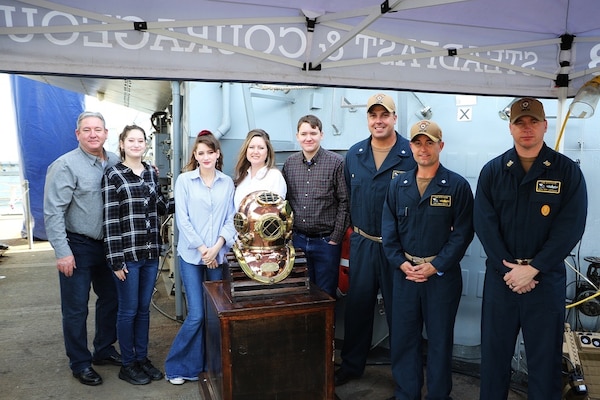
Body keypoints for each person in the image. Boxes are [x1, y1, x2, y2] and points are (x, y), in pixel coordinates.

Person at [474, 97, 587, 400]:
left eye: (533, 121)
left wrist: (534, 268)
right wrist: (510, 271)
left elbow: (571, 227)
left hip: (545, 280)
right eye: (520, 122)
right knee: (495, 360)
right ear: (510, 127)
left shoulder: (566, 172)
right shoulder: (493, 171)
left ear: (544, 125)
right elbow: (485, 226)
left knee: (545, 363)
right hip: (503, 279)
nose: (527, 128)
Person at [381, 120, 474, 400]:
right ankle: (406, 393)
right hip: (405, 275)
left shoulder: (456, 185)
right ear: (410, 147)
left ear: (440, 146)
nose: (424, 149)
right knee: (404, 338)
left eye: (430, 142)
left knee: (439, 340)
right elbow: (389, 229)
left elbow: (463, 232)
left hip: (441, 278)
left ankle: (438, 395)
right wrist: (400, 262)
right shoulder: (399, 185)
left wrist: (436, 265)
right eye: (418, 143)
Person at [336, 93, 416, 386]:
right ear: (368, 119)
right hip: (363, 243)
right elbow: (346, 199)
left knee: (402, 315)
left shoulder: (411, 153)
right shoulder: (355, 154)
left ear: (395, 118)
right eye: (373, 115)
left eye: (385, 115)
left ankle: (406, 380)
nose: (379, 121)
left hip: (400, 249)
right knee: (357, 309)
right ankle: (351, 366)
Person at [44, 111, 121, 386]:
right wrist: (62, 251)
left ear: (106, 133)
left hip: (109, 246)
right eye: (86, 130)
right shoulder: (65, 165)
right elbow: (53, 212)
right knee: (76, 308)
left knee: (111, 298)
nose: (93, 134)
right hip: (77, 245)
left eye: (97, 129)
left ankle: (103, 349)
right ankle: (80, 362)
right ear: (77, 134)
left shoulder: (114, 161)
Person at [102, 125, 174, 385]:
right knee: (128, 310)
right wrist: (115, 260)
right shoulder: (113, 175)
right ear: (121, 144)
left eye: (140, 140)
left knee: (144, 310)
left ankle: (142, 358)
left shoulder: (151, 173)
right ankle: (128, 362)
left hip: (150, 253)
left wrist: (190, 195)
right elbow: (110, 221)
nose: (136, 144)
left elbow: (162, 207)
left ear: (146, 144)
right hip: (127, 256)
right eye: (130, 140)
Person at [164, 130, 236, 385]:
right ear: (195, 155)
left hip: (218, 255)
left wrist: (217, 248)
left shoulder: (227, 183)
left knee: (215, 314)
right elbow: (182, 219)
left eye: (210, 152)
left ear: (218, 154)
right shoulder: (184, 181)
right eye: (201, 153)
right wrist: (204, 250)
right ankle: (176, 367)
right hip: (192, 255)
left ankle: (208, 367)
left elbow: (231, 219)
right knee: (196, 314)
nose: (206, 157)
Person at [281, 114, 349, 298]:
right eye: (304, 134)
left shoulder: (336, 163)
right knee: (301, 293)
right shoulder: (290, 164)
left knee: (326, 295)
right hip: (298, 241)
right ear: (297, 136)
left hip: (326, 243)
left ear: (321, 134)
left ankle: (327, 328)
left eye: (313, 132)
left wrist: (335, 238)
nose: (308, 138)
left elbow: (345, 201)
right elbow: (285, 201)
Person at [233, 128, 287, 209]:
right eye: (251, 147)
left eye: (261, 148)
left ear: (267, 151)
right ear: (246, 150)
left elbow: (277, 210)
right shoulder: (242, 175)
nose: (255, 152)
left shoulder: (274, 176)